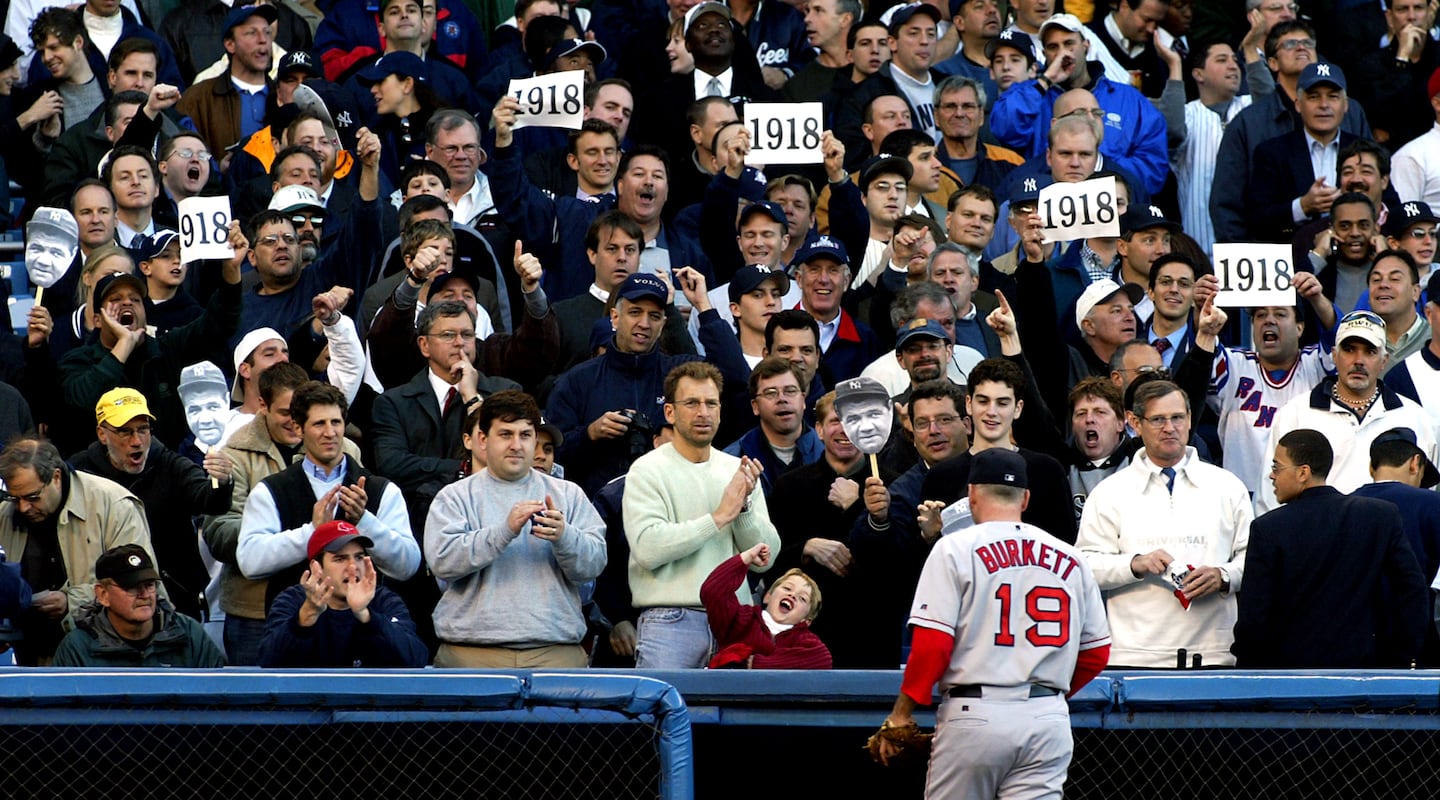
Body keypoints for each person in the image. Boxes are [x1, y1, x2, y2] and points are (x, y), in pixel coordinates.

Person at [874, 448, 1110, 799]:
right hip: (1048, 719)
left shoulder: (954, 548)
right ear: (1025, 499)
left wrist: (901, 714)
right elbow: (1096, 653)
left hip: (976, 714)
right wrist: (1047, 694)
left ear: (971, 495)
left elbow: (933, 645)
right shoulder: (1072, 558)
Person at [425, 390, 606, 668]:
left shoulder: (569, 494)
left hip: (555, 652)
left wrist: (564, 537)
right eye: (505, 434)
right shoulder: (454, 497)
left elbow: (593, 566)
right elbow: (442, 562)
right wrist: (504, 531)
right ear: (483, 440)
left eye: (525, 435)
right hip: (470, 654)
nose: (516, 445)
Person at [1076, 379, 1251, 668]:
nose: (1170, 427)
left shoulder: (1228, 486)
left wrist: (1224, 575)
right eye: (1158, 419)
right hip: (1134, 655)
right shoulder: (1109, 492)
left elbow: (1253, 558)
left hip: (1215, 653)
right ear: (1134, 422)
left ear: (1190, 419)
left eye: (1177, 418)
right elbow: (1085, 565)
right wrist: (1134, 564)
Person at [622, 361, 781, 669]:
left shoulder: (739, 469)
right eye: (691, 403)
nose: (703, 412)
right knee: (664, 716)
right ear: (670, 412)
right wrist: (718, 518)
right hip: (670, 619)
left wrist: (743, 509)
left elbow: (768, 557)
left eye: (711, 403)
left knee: (736, 717)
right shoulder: (647, 469)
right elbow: (647, 548)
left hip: (734, 621)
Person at [1233, 429, 1426, 669]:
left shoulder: (1268, 528)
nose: (1271, 476)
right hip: (1365, 670)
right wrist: (1399, 657)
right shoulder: (1379, 516)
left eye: (1277, 467)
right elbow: (1412, 591)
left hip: (1288, 677)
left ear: (1303, 472)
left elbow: (1254, 615)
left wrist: (1250, 669)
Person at [236, 381, 421, 613]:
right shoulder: (271, 491)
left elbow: (408, 564)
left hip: (364, 627)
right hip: (297, 624)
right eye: (319, 424)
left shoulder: (381, 490)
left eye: (336, 422)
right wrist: (313, 532)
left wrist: (364, 521)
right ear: (298, 428)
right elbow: (250, 561)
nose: (330, 432)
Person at [69, 387, 233, 621]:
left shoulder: (170, 465)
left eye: (143, 430)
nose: (137, 441)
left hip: (174, 603)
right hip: (102, 606)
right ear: (102, 434)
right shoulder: (79, 472)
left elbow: (209, 500)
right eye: (125, 432)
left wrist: (221, 482)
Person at [1258, 309, 1437, 512]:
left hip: (1391, 541)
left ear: (1384, 360)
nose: (1358, 360)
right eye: (1349, 349)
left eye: (1369, 351)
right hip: (1316, 540)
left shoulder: (1414, 418)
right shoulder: (1295, 414)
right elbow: (1269, 497)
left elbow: (1427, 500)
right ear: (1334, 355)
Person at [0, 438, 158, 665]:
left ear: (56, 477)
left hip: (102, 657)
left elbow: (140, 584)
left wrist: (70, 602)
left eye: (33, 497)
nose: (23, 507)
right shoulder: (4, 514)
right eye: (15, 498)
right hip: (26, 654)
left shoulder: (114, 504)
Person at [257, 520, 428, 668]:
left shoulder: (383, 600)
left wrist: (367, 616)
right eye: (340, 559)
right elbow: (268, 661)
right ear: (317, 567)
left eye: (359, 557)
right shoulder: (294, 600)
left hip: (370, 702)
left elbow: (416, 659)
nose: (353, 567)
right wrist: (307, 616)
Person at [52, 544, 225, 667]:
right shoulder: (78, 647)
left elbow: (218, 695)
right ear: (103, 595)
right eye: (131, 587)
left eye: (149, 585)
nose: (144, 595)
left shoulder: (189, 634)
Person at [700, 542, 831, 669]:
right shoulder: (743, 619)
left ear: (806, 620)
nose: (792, 595)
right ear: (767, 596)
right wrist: (746, 558)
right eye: (787, 588)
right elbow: (712, 591)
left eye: (802, 598)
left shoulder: (805, 641)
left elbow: (823, 660)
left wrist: (757, 664)